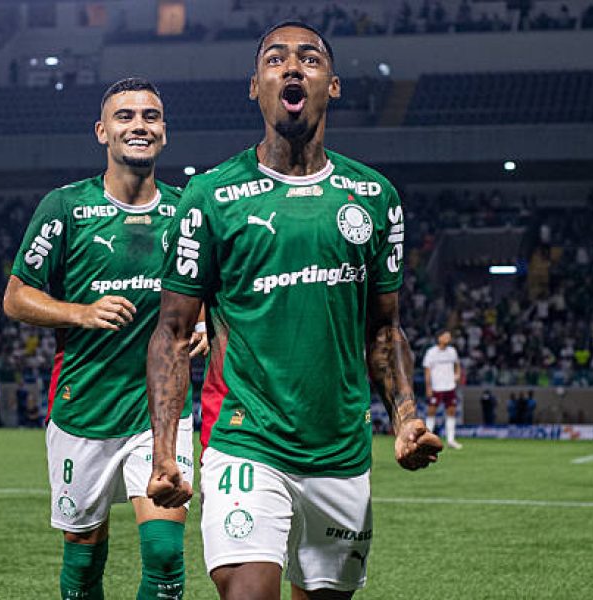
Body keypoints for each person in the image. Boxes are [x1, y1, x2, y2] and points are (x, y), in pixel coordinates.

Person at [145, 22, 442, 600]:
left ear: (332, 86)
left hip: (341, 451)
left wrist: (405, 417)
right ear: (254, 84)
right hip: (246, 441)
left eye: (310, 58)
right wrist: (164, 454)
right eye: (275, 59)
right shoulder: (211, 196)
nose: (292, 66)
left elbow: (384, 330)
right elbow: (174, 333)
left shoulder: (375, 196)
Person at [3, 77, 207, 600]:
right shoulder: (65, 207)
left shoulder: (189, 211)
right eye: (125, 116)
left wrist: (206, 321)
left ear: (164, 132)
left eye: (151, 116)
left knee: (165, 556)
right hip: (84, 406)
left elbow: (210, 289)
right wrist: (78, 311)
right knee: (84, 554)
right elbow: (17, 296)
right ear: (102, 131)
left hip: (160, 410)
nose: (139, 125)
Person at [423, 329, 463, 449]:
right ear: (439, 338)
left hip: (450, 386)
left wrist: (457, 375)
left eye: (449, 336)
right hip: (436, 387)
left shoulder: (452, 351)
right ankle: (428, 438)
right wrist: (428, 387)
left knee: (451, 411)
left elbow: (457, 365)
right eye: (446, 336)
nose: (448, 338)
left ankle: (451, 440)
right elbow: (427, 371)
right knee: (431, 412)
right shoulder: (431, 353)